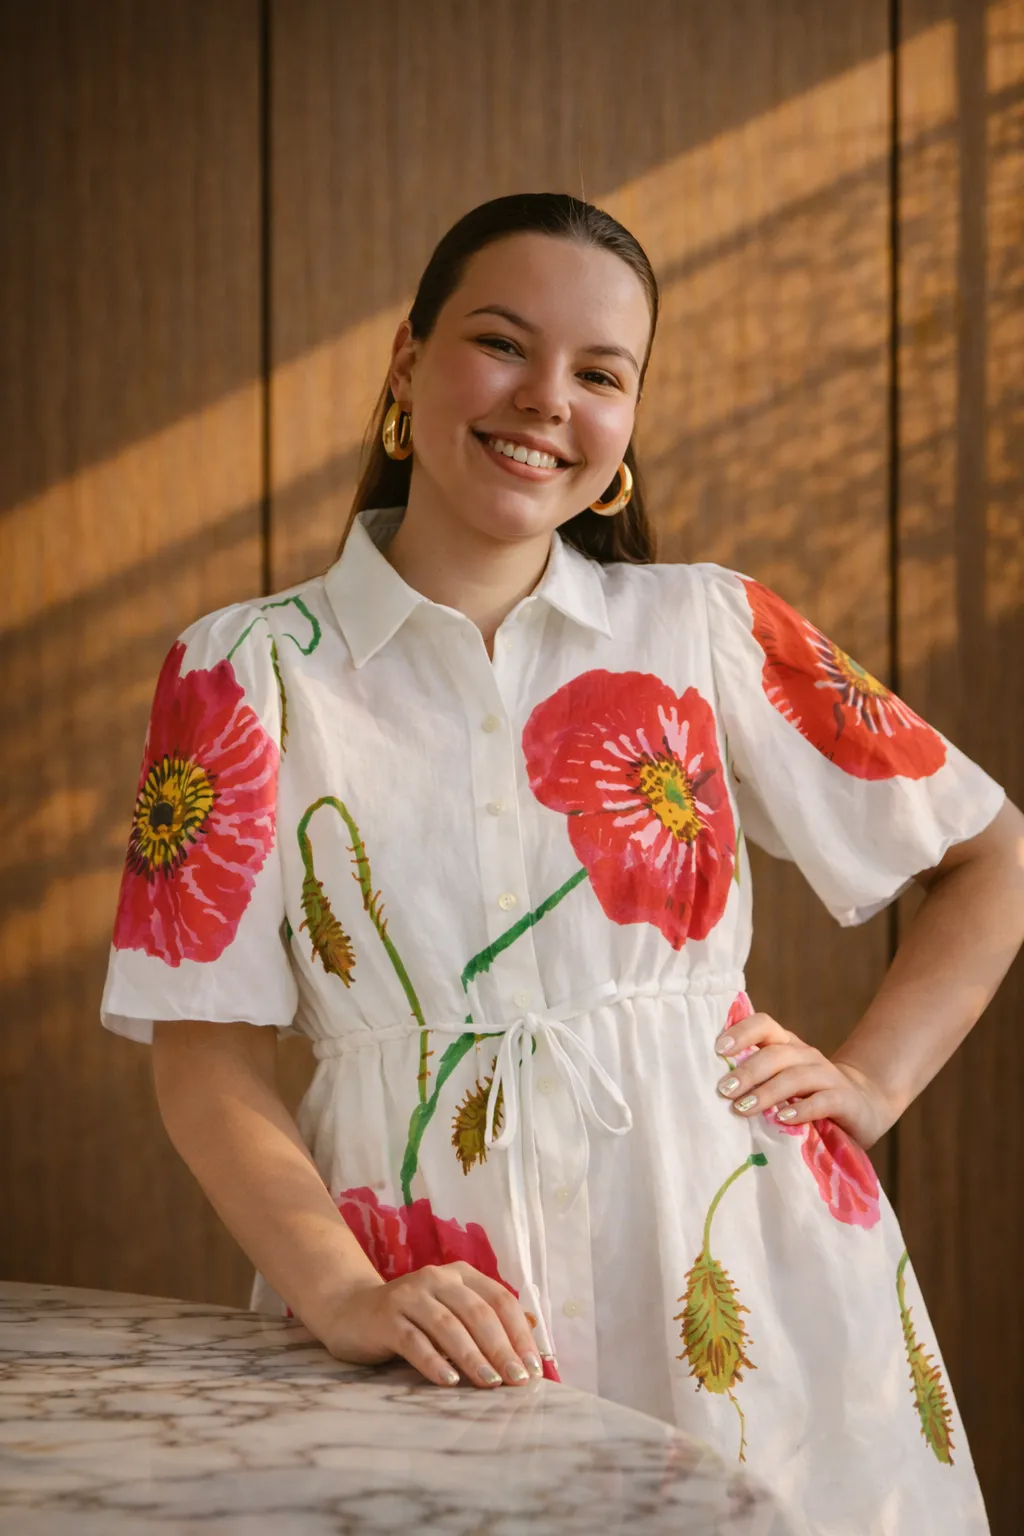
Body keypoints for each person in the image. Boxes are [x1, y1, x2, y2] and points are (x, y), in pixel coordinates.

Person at [101, 193, 1021, 1534]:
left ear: (629, 422)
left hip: (753, 1282)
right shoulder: (244, 673)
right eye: (501, 344)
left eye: (601, 374)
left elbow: (991, 849)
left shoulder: (704, 625)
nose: (547, 400)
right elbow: (204, 1054)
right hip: (431, 1307)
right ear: (409, 365)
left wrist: (875, 1083)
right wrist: (345, 1291)